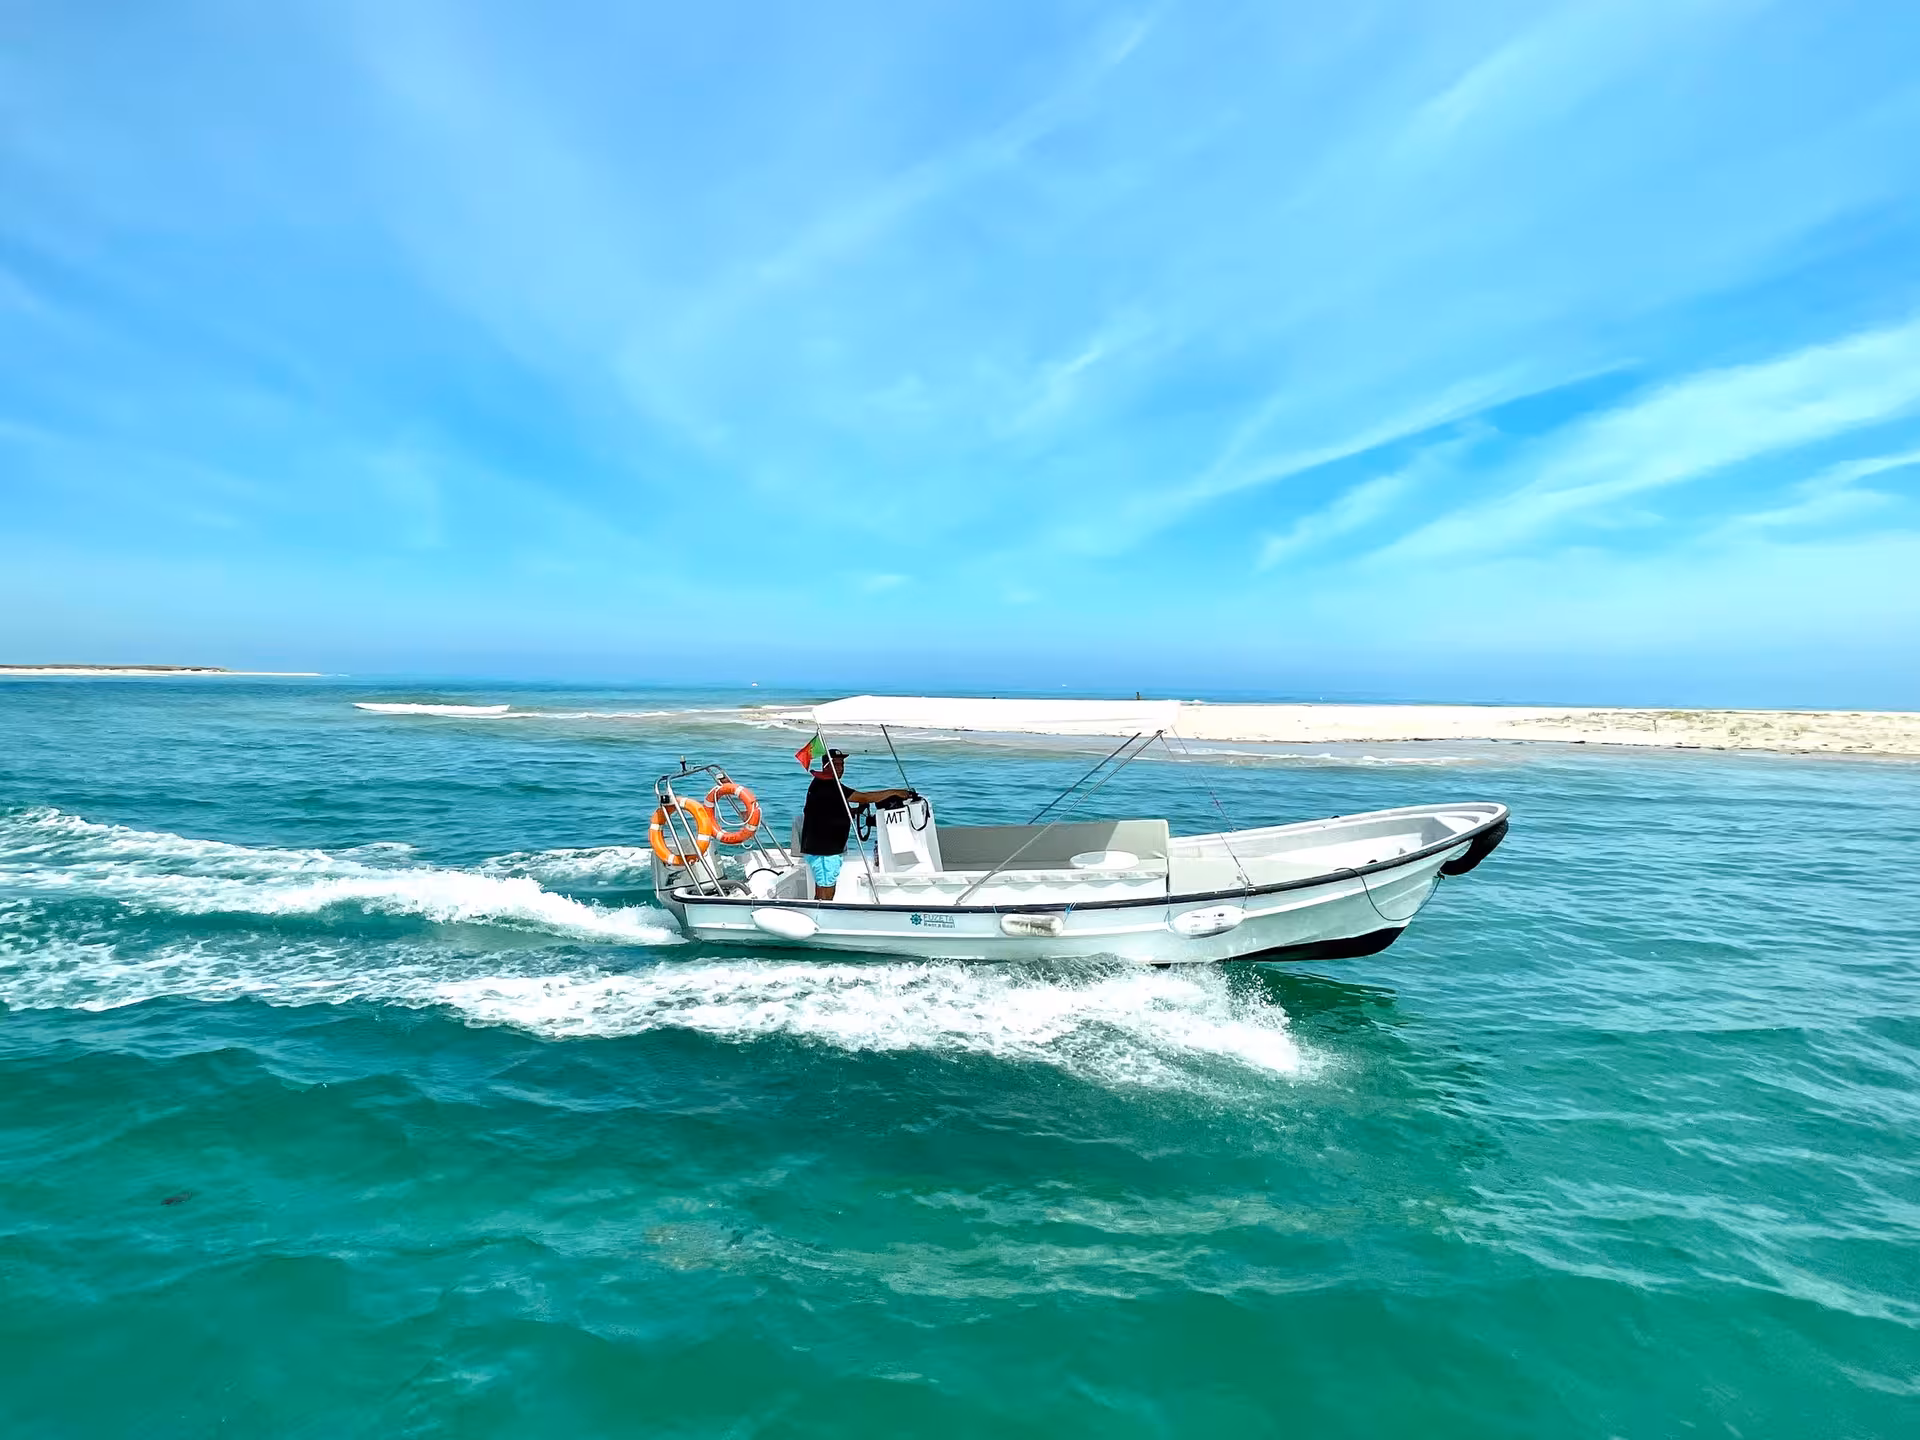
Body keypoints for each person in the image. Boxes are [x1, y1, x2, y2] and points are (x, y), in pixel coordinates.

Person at [799, 748, 913, 900]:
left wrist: (854, 812)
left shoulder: (820, 783)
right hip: (825, 850)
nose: (840, 768)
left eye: (842, 765)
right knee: (826, 891)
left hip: (821, 847)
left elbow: (830, 811)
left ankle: (819, 913)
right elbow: (865, 798)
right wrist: (895, 792)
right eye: (836, 765)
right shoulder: (830, 786)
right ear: (826, 766)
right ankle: (823, 916)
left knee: (822, 887)